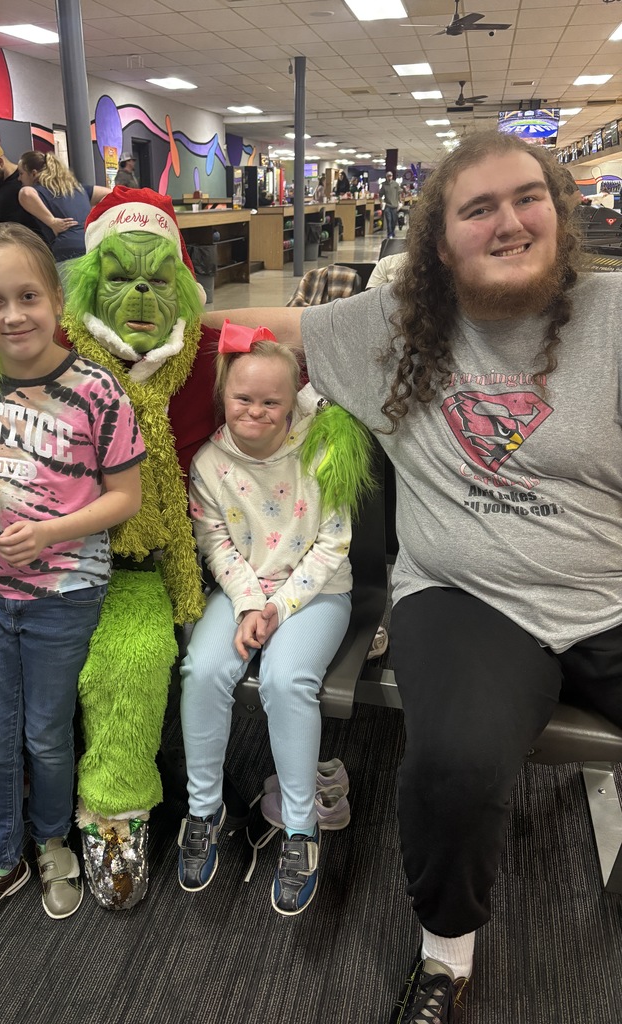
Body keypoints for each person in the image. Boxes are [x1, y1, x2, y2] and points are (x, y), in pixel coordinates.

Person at [203, 129, 622, 1022]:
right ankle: (447, 955)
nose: (508, 223)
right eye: (478, 209)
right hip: (466, 597)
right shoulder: (391, 327)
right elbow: (257, 331)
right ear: (440, 240)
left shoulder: (614, 317)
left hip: (610, 591)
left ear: (558, 209)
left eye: (527, 198)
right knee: (456, 768)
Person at [0, 223, 145, 943]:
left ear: (56, 299)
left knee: (48, 734)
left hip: (64, 594)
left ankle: (52, 840)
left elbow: (127, 497)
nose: (13, 314)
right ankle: (0, 859)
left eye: (27, 295)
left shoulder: (96, 391)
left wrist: (53, 532)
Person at [177, 324, 367, 916]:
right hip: (242, 593)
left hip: (317, 594)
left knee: (287, 682)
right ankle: (203, 811)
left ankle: (302, 829)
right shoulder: (209, 462)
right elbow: (216, 546)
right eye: (243, 399)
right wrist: (246, 604)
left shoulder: (322, 450)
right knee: (202, 670)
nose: (255, 411)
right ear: (223, 397)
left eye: (271, 402)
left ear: (292, 403)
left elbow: (334, 544)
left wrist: (277, 608)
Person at [17, 150, 111, 283]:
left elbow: (25, 193)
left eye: (21, 173)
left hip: (67, 251)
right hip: (92, 246)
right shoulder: (78, 189)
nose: (19, 178)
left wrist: (52, 221)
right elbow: (110, 194)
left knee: (70, 300)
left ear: (33, 174)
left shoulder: (39, 190)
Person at [379, 170, 401, 239]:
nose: (389, 177)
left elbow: (399, 193)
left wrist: (400, 201)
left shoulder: (396, 184)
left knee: (394, 220)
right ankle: (389, 233)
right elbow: (380, 195)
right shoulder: (384, 185)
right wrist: (381, 202)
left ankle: (392, 231)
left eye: (390, 176)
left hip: (394, 206)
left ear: (392, 176)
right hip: (387, 206)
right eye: (388, 176)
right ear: (386, 177)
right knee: (389, 220)